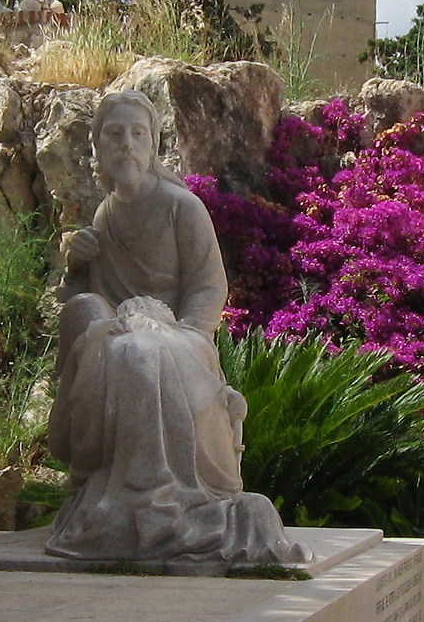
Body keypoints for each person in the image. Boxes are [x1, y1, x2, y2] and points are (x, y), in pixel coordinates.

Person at [44, 90, 296, 567]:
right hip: (122, 332)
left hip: (180, 339)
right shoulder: (104, 216)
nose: (127, 145)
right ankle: (113, 491)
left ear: (154, 144)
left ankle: (158, 497)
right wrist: (77, 269)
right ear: (97, 146)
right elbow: (95, 298)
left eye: (138, 134)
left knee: (142, 355)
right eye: (114, 135)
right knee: (111, 340)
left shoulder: (181, 206)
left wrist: (186, 333)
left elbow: (208, 287)